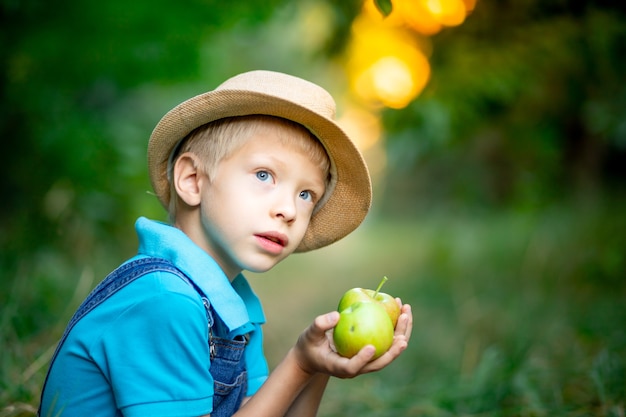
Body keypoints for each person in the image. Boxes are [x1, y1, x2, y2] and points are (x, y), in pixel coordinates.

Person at [39, 70, 413, 417]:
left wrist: (318, 365)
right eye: (264, 174)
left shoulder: (234, 307)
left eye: (306, 195)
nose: (288, 210)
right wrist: (297, 363)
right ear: (192, 180)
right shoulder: (166, 301)